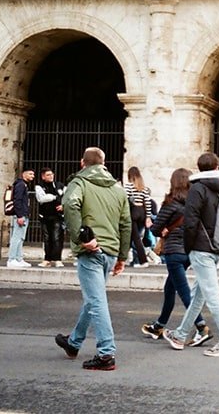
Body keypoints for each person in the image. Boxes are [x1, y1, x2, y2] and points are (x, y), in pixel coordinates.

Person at [55, 147, 130, 371]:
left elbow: (69, 204)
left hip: (91, 251)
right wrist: (122, 256)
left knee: (97, 301)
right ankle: (74, 342)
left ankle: (106, 353)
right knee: (93, 298)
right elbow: (126, 223)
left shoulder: (80, 183)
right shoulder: (118, 188)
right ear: (104, 164)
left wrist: (81, 236)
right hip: (111, 251)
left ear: (82, 163)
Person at [164, 152, 219, 358]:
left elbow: (190, 222)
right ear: (217, 165)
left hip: (201, 247)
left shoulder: (197, 188)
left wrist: (188, 248)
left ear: (199, 167)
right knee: (199, 294)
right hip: (218, 246)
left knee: (213, 296)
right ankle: (180, 335)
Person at [142, 168, 212, 346]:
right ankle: (159, 325)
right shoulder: (195, 202)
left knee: (184, 292)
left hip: (173, 251)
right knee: (169, 288)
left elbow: (156, 229)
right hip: (188, 251)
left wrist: (160, 228)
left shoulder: (171, 203)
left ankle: (201, 326)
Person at [34, 168, 66, 267]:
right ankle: (47, 259)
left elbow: (67, 196)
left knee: (57, 237)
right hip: (45, 216)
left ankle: (57, 259)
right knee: (47, 238)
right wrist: (55, 197)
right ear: (43, 176)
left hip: (57, 216)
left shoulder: (60, 185)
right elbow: (41, 198)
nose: (51, 176)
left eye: (52, 174)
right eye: (48, 175)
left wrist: (63, 205)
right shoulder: (39, 186)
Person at [124, 166, 153, 268]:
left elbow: (126, 200)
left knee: (136, 238)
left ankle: (142, 261)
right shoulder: (143, 187)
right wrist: (148, 217)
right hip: (142, 212)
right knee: (135, 237)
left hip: (133, 212)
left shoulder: (128, 186)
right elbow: (148, 202)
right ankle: (130, 260)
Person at [7, 169, 34, 269]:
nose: (32, 176)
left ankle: (18, 258)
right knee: (17, 237)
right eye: (30, 174)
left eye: (33, 174)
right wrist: (19, 215)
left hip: (23, 214)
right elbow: (17, 201)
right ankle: (12, 259)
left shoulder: (23, 185)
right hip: (20, 215)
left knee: (20, 238)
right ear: (24, 174)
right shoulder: (21, 185)